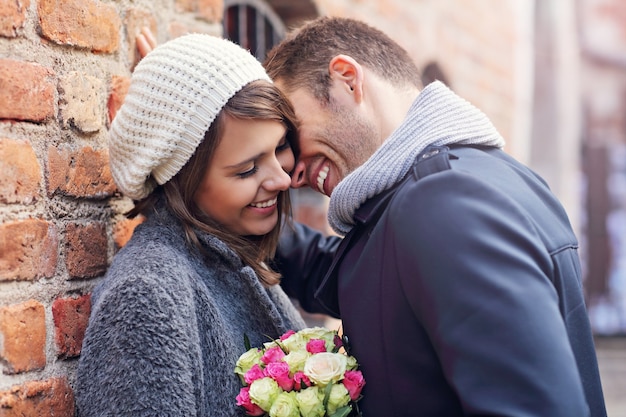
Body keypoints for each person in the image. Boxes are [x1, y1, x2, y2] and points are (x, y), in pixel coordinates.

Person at [264, 16, 607, 417]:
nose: (292, 174)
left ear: (347, 80)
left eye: (292, 131)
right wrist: (238, 212)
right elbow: (358, 280)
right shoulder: (470, 183)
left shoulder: (443, 204)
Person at [75, 34, 306, 416]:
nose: (281, 179)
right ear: (185, 177)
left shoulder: (230, 258)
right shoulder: (146, 298)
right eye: (247, 168)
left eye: (280, 147)